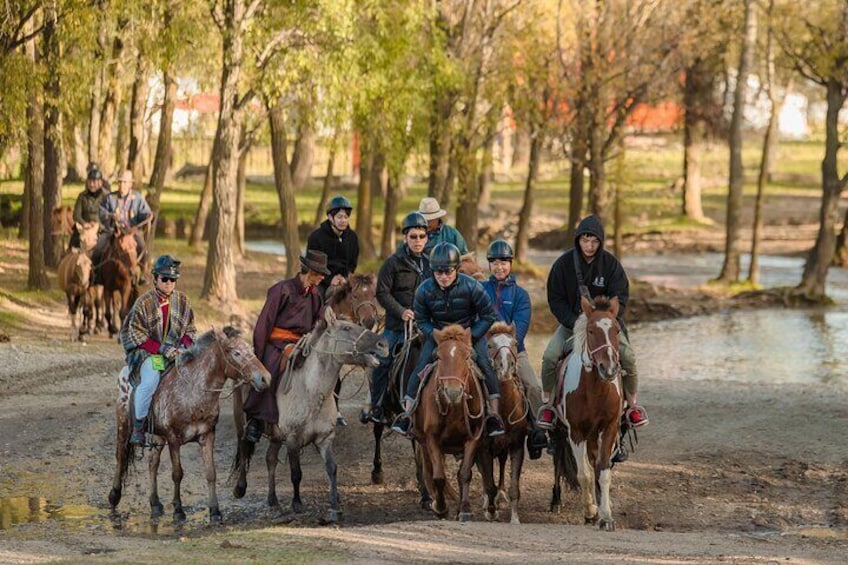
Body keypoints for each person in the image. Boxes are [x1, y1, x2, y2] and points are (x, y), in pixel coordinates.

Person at [538, 215, 649, 438]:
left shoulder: (611, 265)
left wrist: (607, 320)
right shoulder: (562, 265)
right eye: (585, 240)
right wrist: (572, 321)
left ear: (600, 242)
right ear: (578, 240)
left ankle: (632, 405)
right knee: (550, 356)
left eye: (594, 241)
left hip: (605, 326)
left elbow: (622, 297)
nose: (589, 246)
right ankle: (549, 404)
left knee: (628, 357)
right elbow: (555, 298)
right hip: (572, 324)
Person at [392, 242, 505, 437]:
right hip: (439, 336)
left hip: (468, 334)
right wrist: (434, 335)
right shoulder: (424, 290)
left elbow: (488, 316)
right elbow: (421, 319)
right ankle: (408, 415)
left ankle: (493, 415)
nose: (443, 277)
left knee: (485, 364)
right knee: (420, 366)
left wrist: (471, 335)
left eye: (448, 272)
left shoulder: (473, 286)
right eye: (438, 272)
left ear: (457, 269)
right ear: (433, 271)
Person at [243, 249, 330, 443]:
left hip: (302, 342)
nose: (322, 277)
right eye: (319, 273)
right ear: (309, 272)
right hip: (276, 342)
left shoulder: (315, 295)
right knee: (271, 371)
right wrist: (259, 353)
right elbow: (264, 323)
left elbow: (317, 320)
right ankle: (256, 421)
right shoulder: (281, 290)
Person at [361, 211, 432, 424]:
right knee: (382, 362)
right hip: (397, 327)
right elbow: (382, 293)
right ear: (405, 238)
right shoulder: (393, 263)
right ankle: (378, 406)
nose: (418, 241)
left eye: (421, 236)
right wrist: (401, 311)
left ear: (427, 238)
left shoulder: (431, 263)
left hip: (424, 326)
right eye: (413, 237)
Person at [481, 239, 549, 458]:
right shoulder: (481, 291)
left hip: (513, 351)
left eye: (503, 262)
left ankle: (537, 431)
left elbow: (519, 328)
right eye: (494, 262)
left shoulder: (521, 296)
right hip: (485, 350)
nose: (499, 267)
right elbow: (475, 321)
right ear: (489, 265)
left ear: (510, 264)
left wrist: (506, 347)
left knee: (532, 385)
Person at [120, 255, 196, 445]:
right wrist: (162, 349)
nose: (169, 283)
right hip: (148, 353)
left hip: (176, 352)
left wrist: (182, 347)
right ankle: (139, 426)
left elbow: (190, 329)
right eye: (165, 279)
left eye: (173, 279)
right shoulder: (143, 302)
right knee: (151, 379)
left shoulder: (183, 301)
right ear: (155, 279)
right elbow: (134, 333)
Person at [95, 170, 152, 284]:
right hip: (113, 231)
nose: (122, 185)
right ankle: (96, 275)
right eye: (120, 182)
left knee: (141, 246)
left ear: (130, 184)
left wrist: (147, 215)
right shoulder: (110, 198)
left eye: (125, 182)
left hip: (132, 232)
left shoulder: (137, 198)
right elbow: (101, 213)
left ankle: (141, 274)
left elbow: (145, 213)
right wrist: (111, 216)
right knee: (99, 246)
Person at [307, 195, 360, 298]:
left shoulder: (352, 237)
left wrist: (345, 278)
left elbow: (352, 264)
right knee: (314, 297)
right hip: (321, 281)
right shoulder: (316, 237)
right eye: (339, 217)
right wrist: (330, 279)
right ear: (330, 217)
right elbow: (313, 265)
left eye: (346, 217)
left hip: (344, 280)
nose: (343, 220)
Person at [69, 167, 109, 251]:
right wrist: (84, 224)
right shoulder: (82, 196)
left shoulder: (107, 196)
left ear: (100, 183)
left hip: (101, 229)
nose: (91, 184)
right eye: (90, 181)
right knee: (73, 245)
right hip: (84, 227)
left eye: (94, 182)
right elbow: (76, 215)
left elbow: (109, 215)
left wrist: (99, 226)